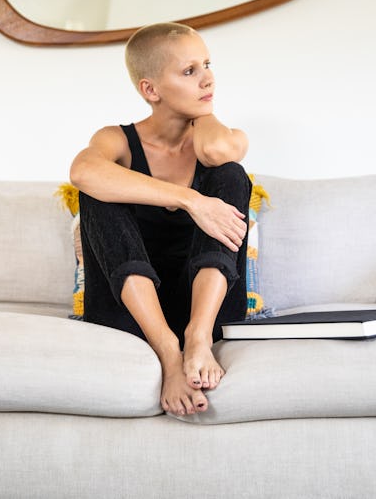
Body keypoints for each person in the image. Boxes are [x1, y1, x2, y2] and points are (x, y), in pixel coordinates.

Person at [69, 22, 251, 416]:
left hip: (208, 315)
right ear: (150, 90)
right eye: (189, 71)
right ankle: (170, 353)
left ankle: (196, 338)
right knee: (99, 187)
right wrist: (191, 201)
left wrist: (201, 116)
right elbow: (83, 172)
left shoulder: (223, 138)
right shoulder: (117, 139)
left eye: (207, 64)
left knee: (231, 175)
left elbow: (219, 149)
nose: (208, 78)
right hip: (131, 314)